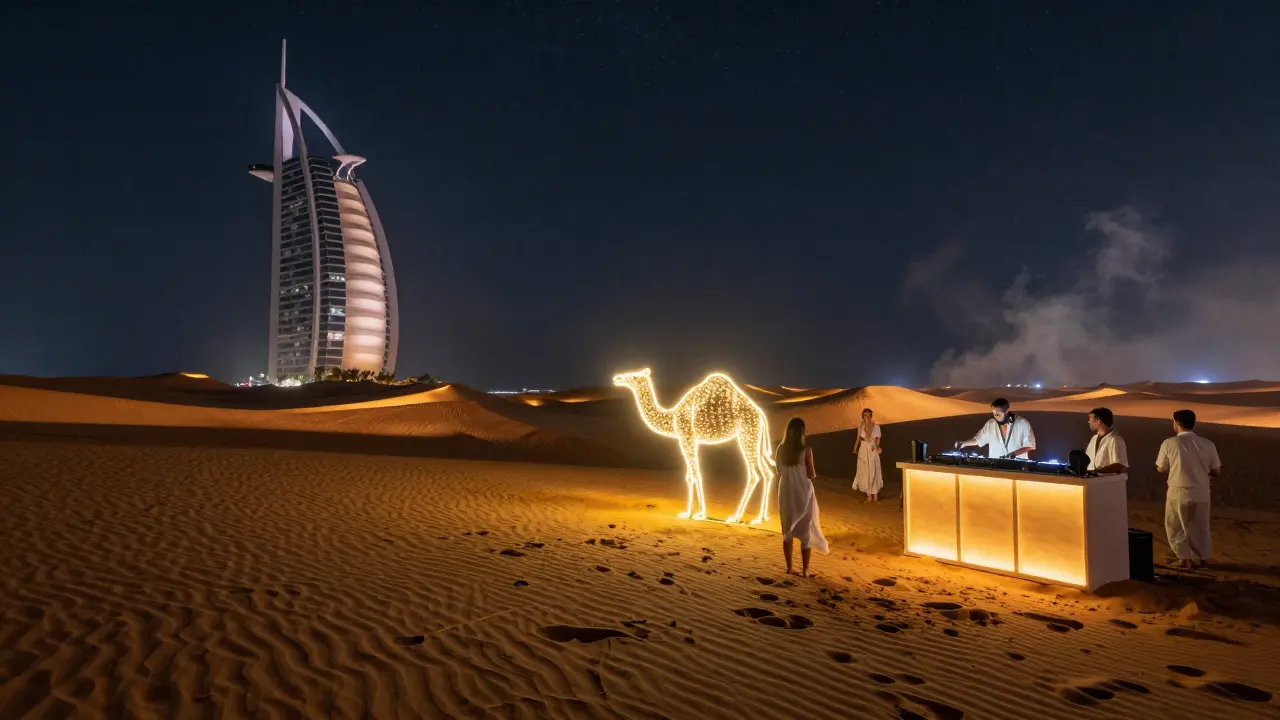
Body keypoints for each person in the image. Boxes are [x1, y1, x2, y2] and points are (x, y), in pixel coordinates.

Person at [1156, 409, 1222, 569]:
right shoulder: (1208, 444)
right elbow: (1216, 471)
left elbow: (1160, 468)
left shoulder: (1169, 443)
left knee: (1176, 525)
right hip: (1201, 492)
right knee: (1200, 526)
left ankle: (1184, 557)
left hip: (1178, 492)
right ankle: (1204, 557)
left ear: (1177, 423)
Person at [775, 417, 829, 577]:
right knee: (806, 532)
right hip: (803, 492)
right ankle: (805, 570)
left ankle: (789, 567)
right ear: (802, 432)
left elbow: (779, 470)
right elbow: (811, 473)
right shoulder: (806, 450)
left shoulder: (780, 449)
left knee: (787, 531)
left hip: (785, 491)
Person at [954, 398, 1036, 459]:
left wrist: (1013, 455)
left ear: (1006, 412)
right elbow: (978, 440)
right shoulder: (991, 424)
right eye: (994, 414)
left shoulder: (1022, 423)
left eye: (998, 414)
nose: (995, 417)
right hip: (996, 466)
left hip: (1017, 467)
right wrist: (963, 443)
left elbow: (1030, 446)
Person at [1085, 407, 1129, 476]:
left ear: (1098, 421)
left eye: (1091, 419)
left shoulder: (1115, 440)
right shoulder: (1093, 439)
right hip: (1091, 482)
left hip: (1107, 483)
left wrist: (1097, 471)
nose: (1089, 422)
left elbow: (1120, 466)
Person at [852, 408, 883, 502]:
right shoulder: (861, 426)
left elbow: (878, 438)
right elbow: (858, 438)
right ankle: (868, 494)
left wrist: (876, 446)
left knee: (874, 470)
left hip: (872, 449)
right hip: (863, 450)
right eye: (865, 416)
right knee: (865, 472)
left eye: (868, 416)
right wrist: (855, 447)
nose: (867, 417)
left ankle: (875, 493)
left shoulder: (876, 426)